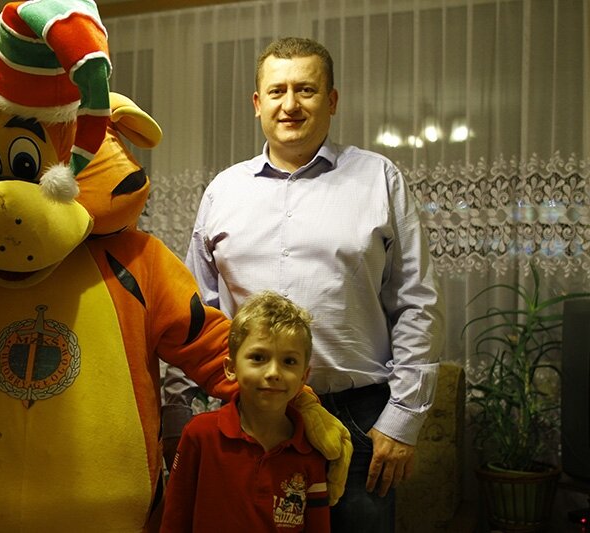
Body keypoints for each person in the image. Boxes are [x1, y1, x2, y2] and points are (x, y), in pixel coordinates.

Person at [162, 36, 444, 532]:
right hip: (249, 421)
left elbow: (416, 301)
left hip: (359, 422)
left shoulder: (379, 179)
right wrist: (177, 411)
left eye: (306, 90)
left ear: (332, 100)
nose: (290, 104)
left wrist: (403, 420)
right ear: (257, 103)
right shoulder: (224, 191)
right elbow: (195, 311)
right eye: (277, 91)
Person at [161, 291, 330, 532]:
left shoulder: (311, 450)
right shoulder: (200, 435)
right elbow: (175, 518)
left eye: (289, 361)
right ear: (231, 368)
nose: (273, 372)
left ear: (304, 376)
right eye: (258, 357)